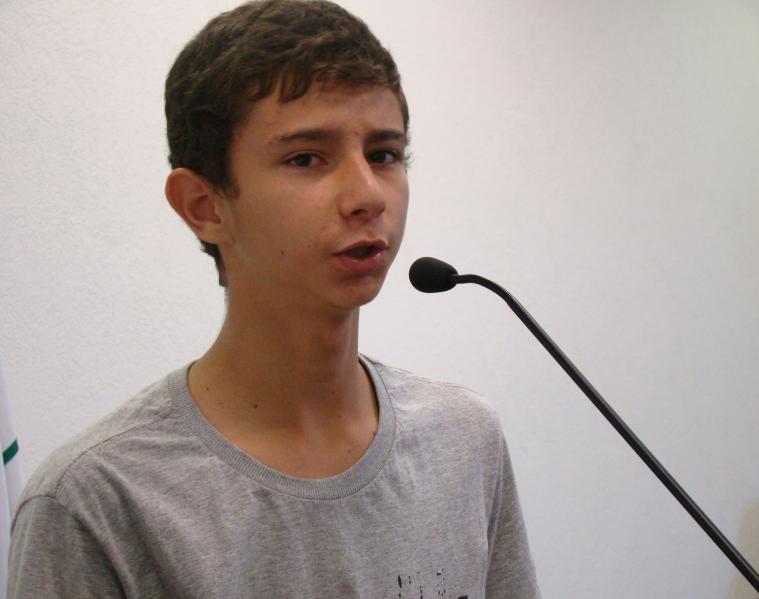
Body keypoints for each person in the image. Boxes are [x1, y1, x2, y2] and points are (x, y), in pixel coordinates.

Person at [7, 1, 541, 597]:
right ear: (204, 207)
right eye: (306, 158)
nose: (368, 195)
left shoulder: (464, 439)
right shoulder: (97, 502)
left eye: (384, 154)